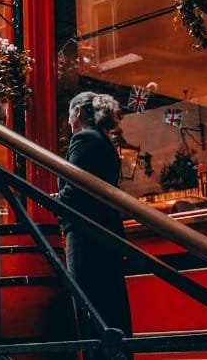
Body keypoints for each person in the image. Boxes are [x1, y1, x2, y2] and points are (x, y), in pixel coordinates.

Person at [55, 92, 131, 341]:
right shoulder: (104, 140)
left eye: (68, 114)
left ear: (78, 112)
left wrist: (55, 199)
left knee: (90, 308)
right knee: (111, 308)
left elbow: (74, 189)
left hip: (87, 236)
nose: (67, 121)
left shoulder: (84, 139)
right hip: (105, 234)